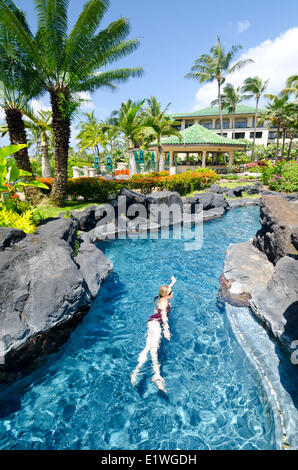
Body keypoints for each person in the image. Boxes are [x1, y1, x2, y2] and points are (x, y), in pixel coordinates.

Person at [130, 276, 176, 393]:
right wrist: (166, 330)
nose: (172, 293)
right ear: (166, 295)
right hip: (156, 326)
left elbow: (167, 290)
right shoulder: (164, 303)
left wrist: (172, 282)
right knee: (154, 350)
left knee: (148, 348)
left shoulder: (163, 297)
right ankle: (157, 375)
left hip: (151, 323)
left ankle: (135, 371)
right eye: (170, 292)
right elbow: (164, 318)